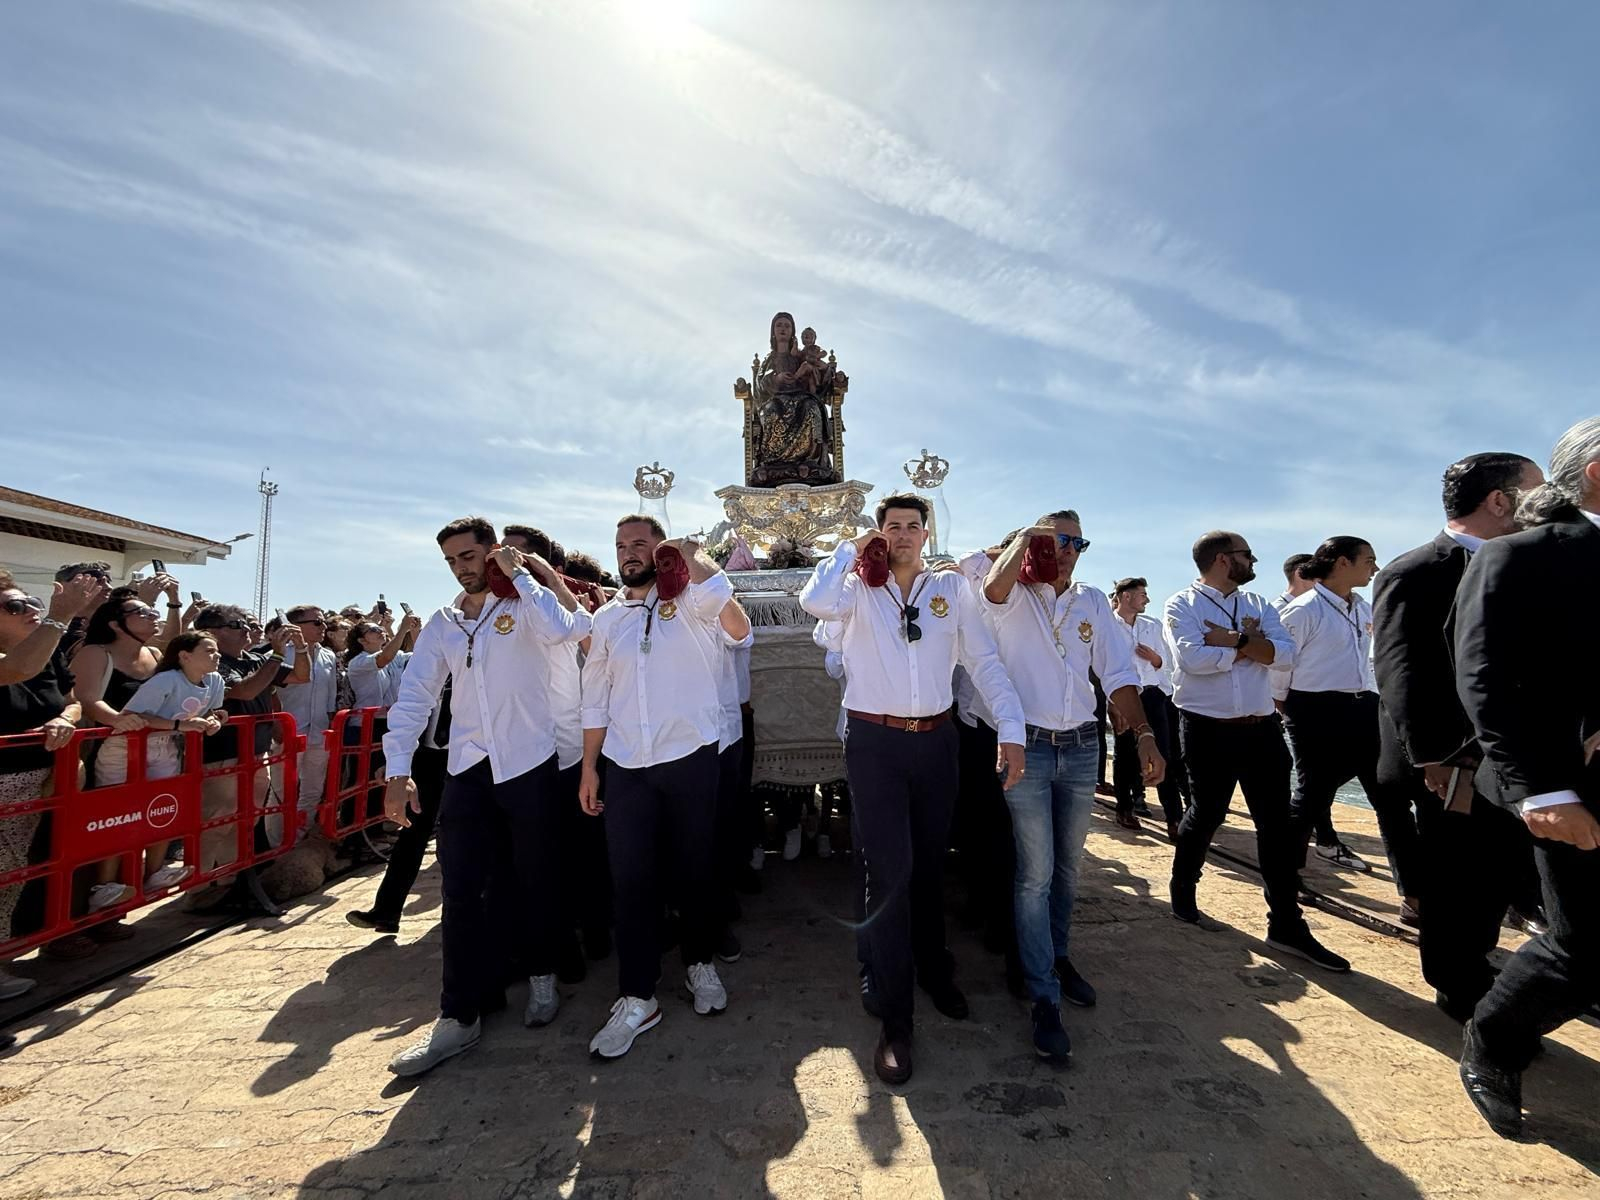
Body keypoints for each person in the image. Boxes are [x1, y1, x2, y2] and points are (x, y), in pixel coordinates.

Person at [801, 494, 1025, 1085]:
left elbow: (984, 662)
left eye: (911, 527)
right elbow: (812, 601)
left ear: (926, 535)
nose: (901, 535)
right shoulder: (855, 587)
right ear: (880, 535)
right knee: (887, 871)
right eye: (891, 527)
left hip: (936, 742)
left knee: (928, 863)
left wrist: (1012, 726)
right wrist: (853, 550)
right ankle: (896, 1020)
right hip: (875, 745)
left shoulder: (952, 591)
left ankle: (934, 967)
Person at [380, 517, 591, 1077]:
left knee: (538, 876)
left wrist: (520, 576)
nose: (461, 567)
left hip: (531, 762)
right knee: (461, 888)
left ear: (491, 553)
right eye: (451, 561)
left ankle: (543, 975)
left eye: (469, 556)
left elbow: (569, 629)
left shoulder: (525, 606)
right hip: (469, 768)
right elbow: (415, 694)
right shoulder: (444, 623)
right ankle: (458, 1015)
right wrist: (396, 768)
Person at [1453, 419, 1600, 1138]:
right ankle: (1493, 1043)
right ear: (1597, 473)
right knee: (1582, 941)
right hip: (1565, 787)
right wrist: (1542, 791)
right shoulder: (1524, 555)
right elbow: (1484, 679)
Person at [1372, 451, 1544, 1024]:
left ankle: (1481, 962)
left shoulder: (1525, 565)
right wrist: (1435, 756)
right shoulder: (1415, 571)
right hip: (1451, 761)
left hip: (1511, 753)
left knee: (1501, 871)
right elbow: (1401, 672)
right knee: (1456, 878)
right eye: (1534, 491)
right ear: (1499, 501)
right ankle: (1457, 984)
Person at [983, 515, 1162, 1062]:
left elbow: (1115, 673)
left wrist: (1145, 735)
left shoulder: (1090, 602)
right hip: (1028, 746)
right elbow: (990, 590)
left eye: (1077, 542)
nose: (1068, 551)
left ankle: (1057, 957)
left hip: (1082, 745)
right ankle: (1043, 994)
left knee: (1068, 867)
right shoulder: (1013, 590)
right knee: (1034, 873)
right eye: (1057, 540)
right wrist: (1021, 544)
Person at [579, 516, 749, 1060]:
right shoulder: (607, 618)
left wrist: (691, 556)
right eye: (621, 545)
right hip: (626, 765)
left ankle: (699, 965)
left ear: (661, 549)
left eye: (642, 544)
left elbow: (741, 629)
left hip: (691, 756)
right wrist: (589, 767)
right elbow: (595, 699)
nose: (630, 553)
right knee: (631, 880)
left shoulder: (696, 600)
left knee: (695, 870)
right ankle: (637, 995)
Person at [1165, 531, 1349, 972]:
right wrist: (1253, 650)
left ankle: (1285, 923)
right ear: (1224, 560)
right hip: (1207, 729)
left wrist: (1234, 643)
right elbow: (1192, 660)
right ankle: (1183, 887)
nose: (1255, 561)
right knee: (1207, 813)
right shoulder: (1181, 605)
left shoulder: (1259, 606)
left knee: (1276, 825)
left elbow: (1285, 656)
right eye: (1247, 555)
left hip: (1262, 729)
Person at [1277, 538, 1423, 922]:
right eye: (1368, 561)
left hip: (1365, 708)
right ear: (1342, 563)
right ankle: (1284, 875)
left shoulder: (1362, 608)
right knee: (1312, 793)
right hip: (1315, 709)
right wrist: (1290, 712)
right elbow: (1279, 669)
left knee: (1391, 797)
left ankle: (1414, 893)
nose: (1374, 569)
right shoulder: (1302, 611)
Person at [0, 570, 104, 998]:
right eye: (13, 606)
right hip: (6, 781)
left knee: (16, 876)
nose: (29, 611)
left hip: (40, 780)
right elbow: (16, 669)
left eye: (32, 604)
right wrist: (60, 615)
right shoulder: (35, 647)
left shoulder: (49, 650)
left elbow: (74, 700)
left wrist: (64, 718)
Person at [188, 605, 306, 899]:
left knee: (247, 819)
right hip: (222, 752)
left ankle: (228, 879)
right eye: (236, 624)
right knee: (216, 819)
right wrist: (277, 653)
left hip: (256, 750)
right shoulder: (214, 663)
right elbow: (244, 691)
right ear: (212, 632)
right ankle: (197, 887)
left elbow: (301, 676)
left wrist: (300, 648)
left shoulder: (255, 659)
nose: (246, 630)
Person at [106, 632, 228, 893]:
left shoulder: (216, 680)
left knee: (162, 809)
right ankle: (106, 884)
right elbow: (130, 715)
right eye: (209, 651)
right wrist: (179, 725)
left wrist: (216, 720)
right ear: (184, 656)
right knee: (117, 816)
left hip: (166, 748)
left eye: (216, 651)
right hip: (125, 748)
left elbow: (212, 711)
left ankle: (154, 872)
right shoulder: (166, 680)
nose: (217, 655)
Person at [1272, 555, 1367, 873]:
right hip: (1299, 704)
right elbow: (1280, 662)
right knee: (1310, 781)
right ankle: (1306, 850)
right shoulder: (1291, 610)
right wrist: (1283, 704)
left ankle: (1314, 832)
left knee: (1320, 781)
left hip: (1352, 703)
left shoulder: (1354, 607)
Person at [1110, 576, 1185, 839]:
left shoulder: (1152, 626)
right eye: (1142, 594)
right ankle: (1125, 808)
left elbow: (1167, 662)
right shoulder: (1106, 626)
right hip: (1123, 694)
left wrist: (1155, 659)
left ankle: (1174, 818)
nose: (1147, 599)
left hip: (1153, 694)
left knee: (1164, 753)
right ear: (1126, 596)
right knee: (1125, 755)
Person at [273, 605, 338, 844]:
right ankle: (276, 844)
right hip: (288, 733)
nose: (324, 628)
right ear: (296, 626)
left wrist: (330, 727)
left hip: (319, 733)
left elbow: (331, 697)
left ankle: (298, 840)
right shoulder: (279, 653)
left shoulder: (328, 655)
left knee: (312, 790)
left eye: (324, 623)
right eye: (317, 623)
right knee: (281, 791)